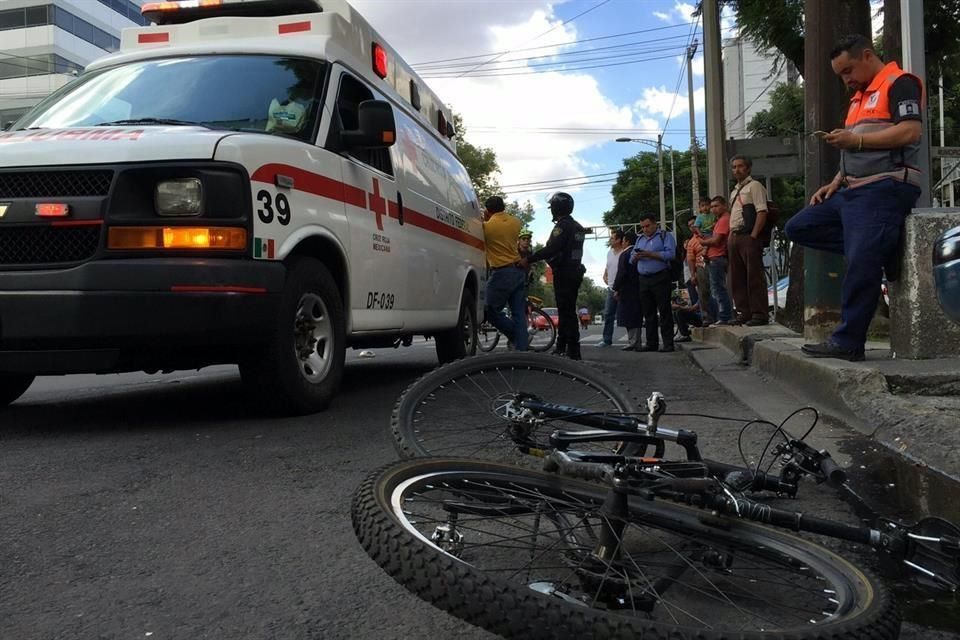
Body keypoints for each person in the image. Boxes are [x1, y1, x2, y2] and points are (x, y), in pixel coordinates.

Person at [785, 34, 923, 362]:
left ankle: (848, 342)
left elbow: (910, 132)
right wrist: (835, 181)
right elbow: (856, 145)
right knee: (799, 227)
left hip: (885, 188)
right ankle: (880, 246)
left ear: (866, 55)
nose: (846, 79)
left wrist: (855, 143)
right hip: (852, 190)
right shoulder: (859, 97)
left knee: (861, 260)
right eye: (841, 74)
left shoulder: (899, 83)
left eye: (848, 70)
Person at [524, 192, 586, 360]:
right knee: (567, 311)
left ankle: (573, 350)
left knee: (567, 313)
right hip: (575, 272)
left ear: (557, 208)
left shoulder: (562, 227)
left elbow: (552, 249)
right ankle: (562, 346)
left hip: (564, 272)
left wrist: (529, 259)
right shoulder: (578, 226)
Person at [727, 154, 770, 326]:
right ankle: (743, 312)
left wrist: (753, 236)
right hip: (735, 235)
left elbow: (762, 211)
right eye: (734, 167)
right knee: (737, 278)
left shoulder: (755, 186)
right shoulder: (734, 191)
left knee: (754, 276)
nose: (737, 170)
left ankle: (759, 314)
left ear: (748, 168)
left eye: (740, 166)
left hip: (748, 236)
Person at [482, 195, 528, 351]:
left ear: (488, 210)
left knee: (490, 310)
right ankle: (522, 347)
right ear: (503, 207)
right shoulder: (516, 222)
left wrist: (485, 219)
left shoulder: (487, 227)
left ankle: (514, 334)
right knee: (519, 313)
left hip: (501, 272)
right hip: (518, 270)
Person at [630, 213, 676, 352]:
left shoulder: (664, 236)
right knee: (648, 313)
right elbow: (630, 259)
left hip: (660, 277)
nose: (645, 229)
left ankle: (668, 343)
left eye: (647, 226)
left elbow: (670, 254)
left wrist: (651, 254)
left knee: (664, 311)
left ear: (655, 224)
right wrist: (637, 256)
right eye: (642, 227)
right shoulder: (640, 240)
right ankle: (651, 343)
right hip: (644, 279)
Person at [699, 196, 734, 325]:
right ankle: (723, 316)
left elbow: (716, 240)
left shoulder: (724, 220)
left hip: (718, 257)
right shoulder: (718, 220)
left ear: (724, 206)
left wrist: (703, 242)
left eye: (716, 206)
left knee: (718, 288)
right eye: (712, 206)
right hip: (714, 257)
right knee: (717, 288)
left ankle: (725, 316)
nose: (713, 209)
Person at [612, 229, 642, 350]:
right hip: (638, 287)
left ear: (626, 241)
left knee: (629, 316)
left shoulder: (625, 254)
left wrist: (616, 288)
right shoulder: (637, 252)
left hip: (627, 289)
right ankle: (636, 342)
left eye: (623, 240)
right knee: (636, 315)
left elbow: (621, 273)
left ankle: (633, 342)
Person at [685, 217, 715, 325]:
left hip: (714, 263)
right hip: (700, 267)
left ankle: (721, 315)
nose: (693, 227)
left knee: (718, 291)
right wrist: (693, 274)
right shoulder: (691, 242)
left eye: (694, 223)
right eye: (690, 225)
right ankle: (706, 317)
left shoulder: (712, 233)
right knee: (703, 293)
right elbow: (690, 259)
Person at [599, 229, 624, 347]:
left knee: (626, 313)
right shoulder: (609, 252)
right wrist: (605, 275)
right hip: (610, 288)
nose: (610, 240)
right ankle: (606, 340)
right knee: (608, 314)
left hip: (623, 288)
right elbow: (608, 266)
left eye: (612, 238)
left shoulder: (624, 252)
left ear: (619, 240)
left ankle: (633, 340)